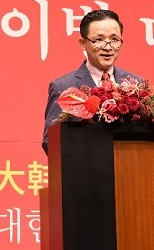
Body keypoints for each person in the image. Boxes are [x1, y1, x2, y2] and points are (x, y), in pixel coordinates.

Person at [42, 9, 142, 153]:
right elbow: (51, 142)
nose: (108, 47)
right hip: (84, 165)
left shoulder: (136, 84)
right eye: (99, 40)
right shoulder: (63, 87)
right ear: (83, 43)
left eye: (114, 39)